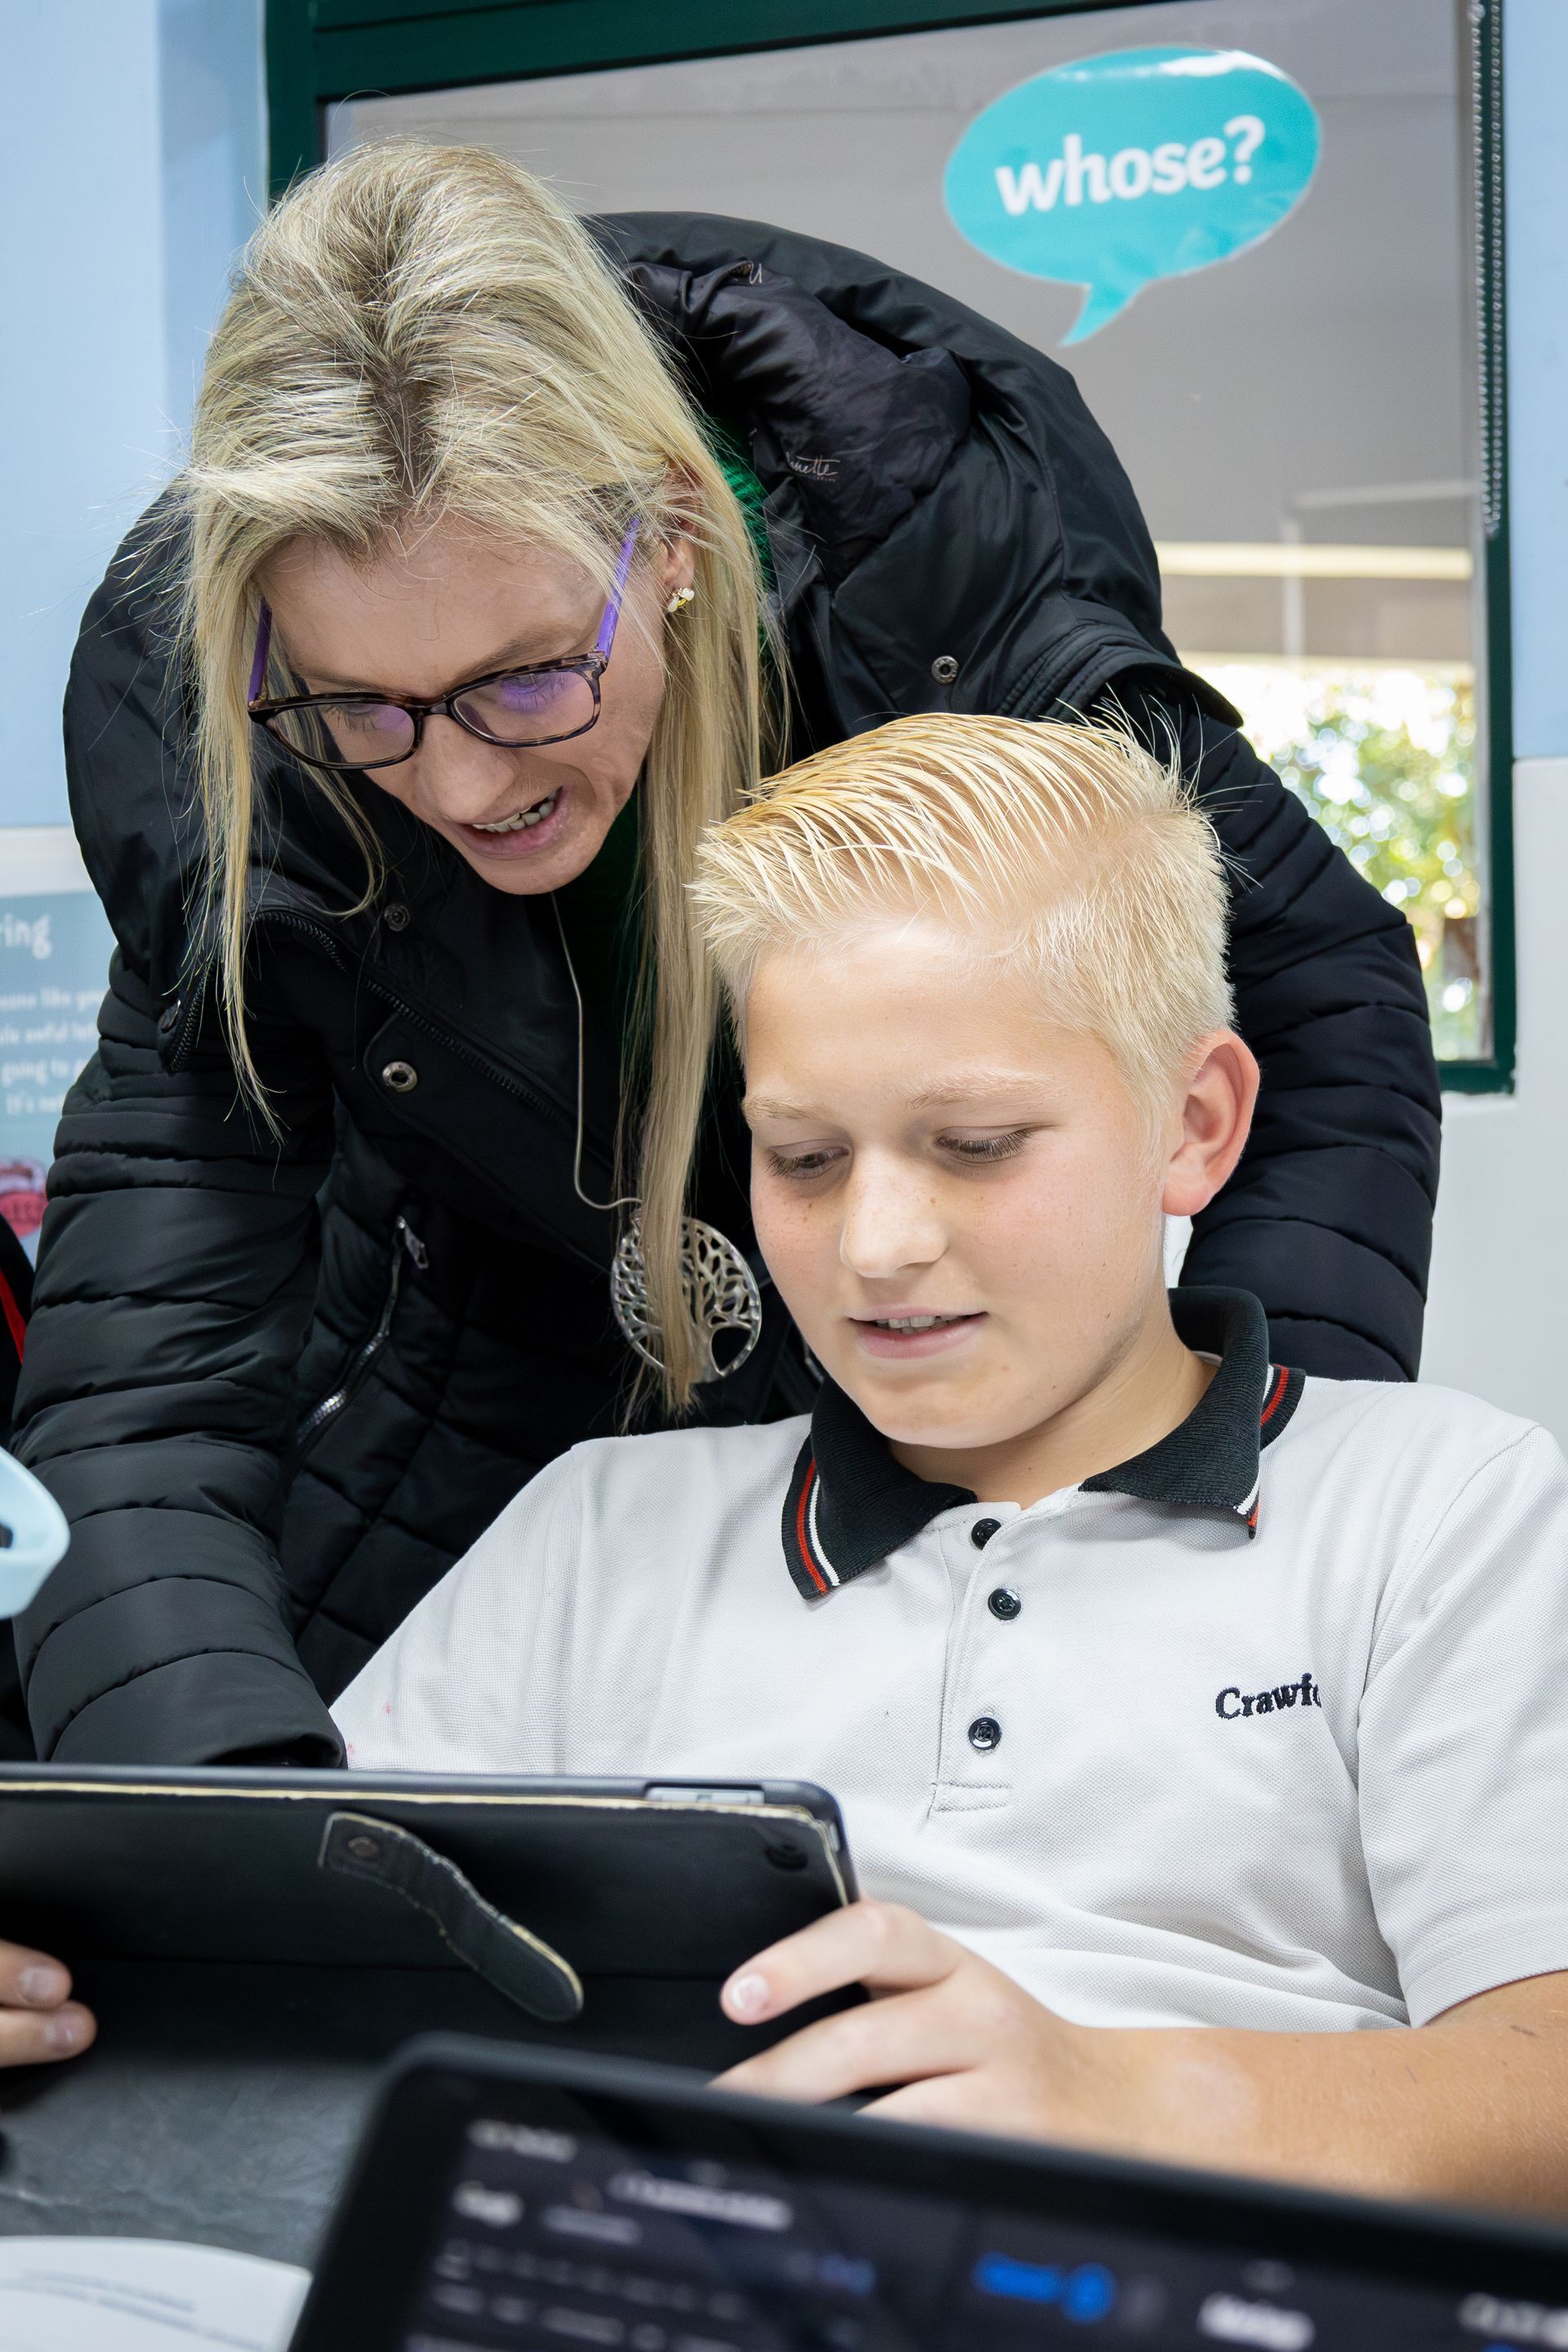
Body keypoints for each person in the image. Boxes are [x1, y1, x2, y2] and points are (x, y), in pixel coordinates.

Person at [11, 140, 1437, 1769]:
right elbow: (145, 1391)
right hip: (489, 1388)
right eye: (363, 706)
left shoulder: (939, 588)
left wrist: (1240, 1496)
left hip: (958, 1405)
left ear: (675, 537)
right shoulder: (241, 788)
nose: (466, 781)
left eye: (528, 677)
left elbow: (1322, 1002)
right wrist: (219, 1808)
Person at [336, 715, 1568, 2215]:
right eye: (802, 1157)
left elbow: (1544, 2070)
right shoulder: (595, 1535)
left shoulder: (1442, 1514)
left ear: (1195, 1126)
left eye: (976, 1144)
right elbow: (292, 1961)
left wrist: (1117, 2091)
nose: (877, 1245)